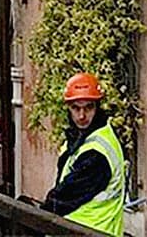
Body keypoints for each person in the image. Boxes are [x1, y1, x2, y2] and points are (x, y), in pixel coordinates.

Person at [41, 72, 126, 236]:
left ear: (97, 107)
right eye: (76, 108)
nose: (81, 116)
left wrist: (38, 219)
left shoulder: (97, 153)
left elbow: (64, 197)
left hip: (89, 230)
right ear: (68, 108)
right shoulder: (80, 139)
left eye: (88, 107)